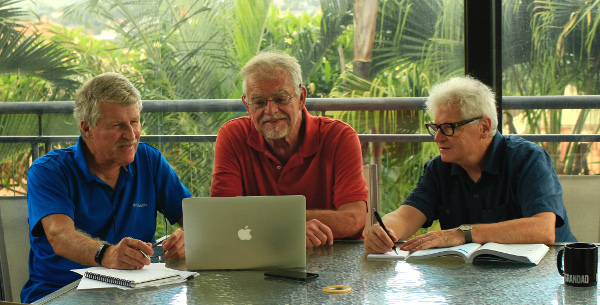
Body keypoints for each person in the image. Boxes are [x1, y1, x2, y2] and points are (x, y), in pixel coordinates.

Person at [21, 73, 192, 303]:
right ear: (86, 128)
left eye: (134, 121)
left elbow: (193, 219)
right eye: (117, 125)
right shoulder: (49, 171)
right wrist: (107, 254)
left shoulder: (149, 161)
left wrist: (187, 237)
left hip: (136, 293)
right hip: (62, 293)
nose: (131, 135)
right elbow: (60, 235)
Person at [364, 76, 576, 254]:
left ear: (484, 127)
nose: (437, 138)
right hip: (470, 281)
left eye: (448, 128)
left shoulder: (528, 159)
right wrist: (384, 231)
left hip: (547, 274)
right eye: (435, 127)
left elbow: (543, 229)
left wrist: (463, 233)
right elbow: (406, 215)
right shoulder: (439, 169)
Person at [210, 52, 368, 248]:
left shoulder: (339, 137)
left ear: (301, 98)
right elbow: (222, 219)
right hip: (260, 258)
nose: (270, 111)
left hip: (331, 261)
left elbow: (353, 221)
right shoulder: (233, 135)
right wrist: (291, 227)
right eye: (259, 102)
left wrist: (260, 220)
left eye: (281, 99)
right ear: (247, 106)